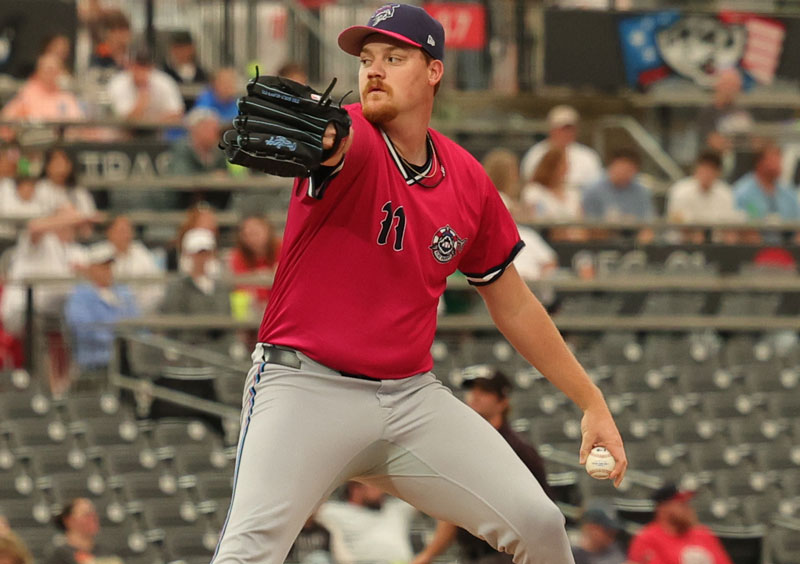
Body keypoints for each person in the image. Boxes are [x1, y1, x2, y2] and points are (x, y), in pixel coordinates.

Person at [211, 5, 626, 564]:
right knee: (245, 555)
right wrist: (326, 136)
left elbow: (515, 306)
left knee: (539, 524)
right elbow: (335, 139)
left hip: (409, 400)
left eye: (394, 57)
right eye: (366, 59)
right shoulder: (355, 138)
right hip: (305, 390)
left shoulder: (468, 181)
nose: (374, 69)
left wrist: (591, 401)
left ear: (434, 71)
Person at [412, 366, 552, 564]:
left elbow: (541, 511)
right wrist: (428, 555)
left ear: (503, 401)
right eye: (472, 390)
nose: (475, 396)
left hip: (507, 556)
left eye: (485, 391)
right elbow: (453, 507)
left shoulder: (517, 450)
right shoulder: (467, 444)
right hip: (472, 555)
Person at [64, 241, 138, 373]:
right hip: (95, 363)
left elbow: (137, 321)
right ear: (91, 269)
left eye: (109, 267)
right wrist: (117, 338)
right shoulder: (79, 296)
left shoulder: (123, 292)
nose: (107, 271)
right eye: (102, 267)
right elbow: (84, 329)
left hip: (128, 360)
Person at [627, 484, 733, 564]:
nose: (688, 509)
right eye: (682, 504)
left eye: (688, 503)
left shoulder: (703, 534)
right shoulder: (648, 538)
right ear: (663, 508)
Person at [315, 482, 417, 564]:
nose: (382, 490)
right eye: (376, 484)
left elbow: (425, 494)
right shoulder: (335, 511)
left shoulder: (396, 509)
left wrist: (425, 556)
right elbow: (308, 508)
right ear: (355, 487)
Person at [161, 228, 230, 347]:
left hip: (219, 347)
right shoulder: (177, 287)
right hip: (188, 348)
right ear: (187, 255)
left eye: (206, 254)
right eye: (198, 254)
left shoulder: (221, 287)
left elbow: (225, 320)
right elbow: (174, 326)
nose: (202, 259)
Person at [520, 105, 602, 191]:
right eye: (563, 129)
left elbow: (596, 187)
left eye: (570, 129)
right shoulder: (536, 153)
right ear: (552, 129)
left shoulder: (587, 156)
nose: (567, 133)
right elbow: (530, 182)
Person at [169, 107, 230, 208]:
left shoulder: (219, 150)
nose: (216, 132)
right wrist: (210, 178)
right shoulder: (182, 148)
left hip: (213, 203)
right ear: (196, 129)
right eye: (210, 128)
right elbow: (181, 179)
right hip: (181, 204)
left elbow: (224, 175)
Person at [697, 69, 753, 177]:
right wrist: (738, 143)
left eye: (735, 86)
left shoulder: (742, 112)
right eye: (728, 85)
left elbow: (751, 140)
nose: (731, 90)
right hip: (716, 166)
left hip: (742, 166)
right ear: (718, 85)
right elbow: (714, 142)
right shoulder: (708, 112)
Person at [107, 49, 184, 124]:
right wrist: (142, 100)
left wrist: (152, 123)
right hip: (125, 130)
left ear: (151, 67)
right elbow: (124, 120)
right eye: (136, 67)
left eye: (144, 67)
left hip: (160, 129)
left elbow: (177, 114)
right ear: (129, 66)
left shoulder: (164, 81)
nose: (140, 72)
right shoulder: (118, 83)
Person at [106, 215, 165, 313]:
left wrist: (136, 309)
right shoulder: (98, 254)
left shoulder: (144, 256)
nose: (124, 235)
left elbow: (156, 289)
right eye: (120, 231)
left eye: (127, 231)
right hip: (106, 311)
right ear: (109, 233)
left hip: (140, 312)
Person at [1, 54, 85, 122]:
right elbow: (6, 120)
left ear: (59, 72)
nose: (50, 73)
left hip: (63, 137)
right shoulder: (26, 94)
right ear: (38, 71)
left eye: (54, 69)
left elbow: (79, 123)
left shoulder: (66, 97)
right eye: (47, 69)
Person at [582, 148, 654, 222]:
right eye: (621, 168)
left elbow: (648, 221)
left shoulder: (641, 192)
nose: (623, 173)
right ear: (611, 166)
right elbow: (587, 222)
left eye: (628, 170)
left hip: (634, 228)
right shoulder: (593, 190)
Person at [733, 143, 800, 222]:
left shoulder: (788, 192)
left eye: (779, 157)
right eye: (773, 158)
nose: (778, 163)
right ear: (759, 162)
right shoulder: (742, 192)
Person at [229, 216, 281, 310]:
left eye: (256, 232)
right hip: (254, 307)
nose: (253, 238)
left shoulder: (282, 247)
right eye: (248, 234)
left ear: (268, 230)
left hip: (280, 304)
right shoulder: (238, 256)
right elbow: (242, 287)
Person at [522, 147, 582, 222]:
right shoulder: (534, 191)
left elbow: (579, 220)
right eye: (562, 166)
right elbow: (533, 218)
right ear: (551, 166)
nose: (566, 170)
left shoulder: (572, 193)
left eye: (567, 165)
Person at [45, 498, 111, 564]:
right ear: (68, 520)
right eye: (86, 514)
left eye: (94, 514)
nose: (93, 518)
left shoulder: (104, 552)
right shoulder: (59, 555)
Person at [37, 148, 97, 217]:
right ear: (47, 166)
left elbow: (90, 215)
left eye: (65, 163)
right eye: (57, 163)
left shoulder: (79, 191)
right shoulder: (39, 189)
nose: (61, 168)